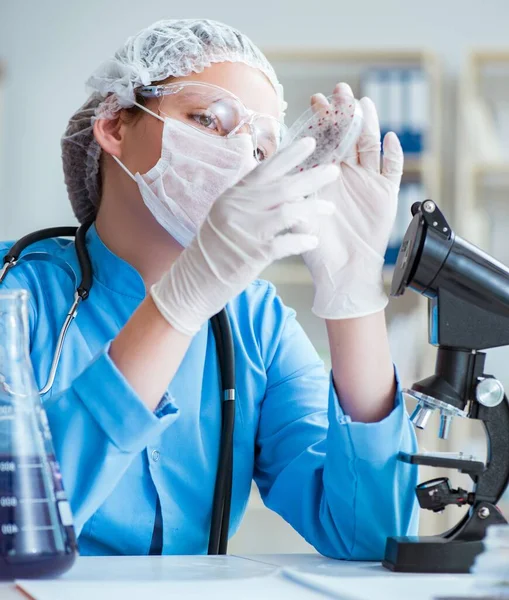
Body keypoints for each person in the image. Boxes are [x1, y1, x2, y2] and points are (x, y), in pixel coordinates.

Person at [2, 18, 418, 557]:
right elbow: (18, 525)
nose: (241, 156)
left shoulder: (256, 323)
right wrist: (179, 304)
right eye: (210, 120)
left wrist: (355, 297)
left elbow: (370, 536)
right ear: (113, 125)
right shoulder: (17, 296)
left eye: (264, 147)